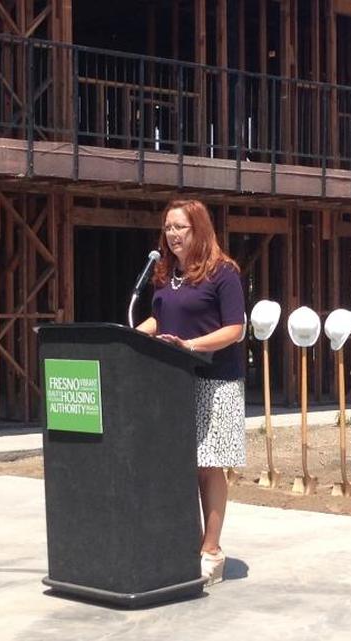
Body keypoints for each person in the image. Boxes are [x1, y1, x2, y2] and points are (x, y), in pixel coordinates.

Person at [135, 199, 246, 586]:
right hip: (175, 380)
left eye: (180, 227)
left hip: (215, 380)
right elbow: (161, 317)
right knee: (181, 463)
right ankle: (185, 542)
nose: (172, 235)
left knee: (208, 464)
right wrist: (132, 336)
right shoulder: (166, 274)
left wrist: (191, 345)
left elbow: (235, 328)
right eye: (167, 228)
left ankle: (211, 550)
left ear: (198, 229)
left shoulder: (223, 273)